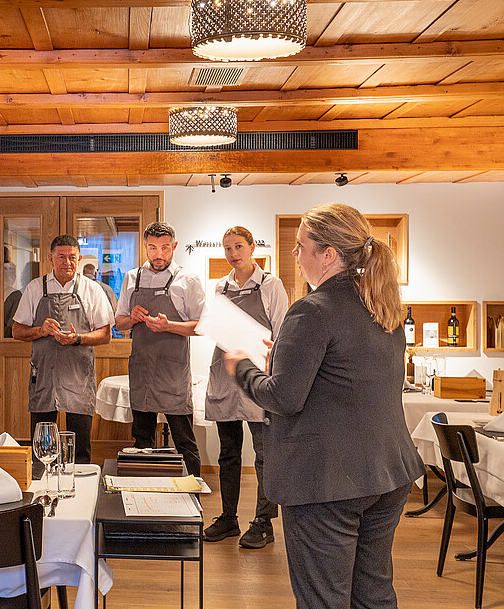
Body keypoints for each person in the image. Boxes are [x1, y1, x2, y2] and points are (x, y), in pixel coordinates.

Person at [224, 203, 424, 609]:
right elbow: (344, 380)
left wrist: (241, 367)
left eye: (300, 247)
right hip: (387, 473)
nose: (295, 256)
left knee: (324, 599)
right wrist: (281, 357)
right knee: (374, 594)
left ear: (328, 254)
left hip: (328, 481)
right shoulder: (382, 305)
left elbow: (283, 398)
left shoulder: (312, 310)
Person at [204, 226, 288, 549]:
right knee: (228, 452)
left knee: (264, 453)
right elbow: (217, 329)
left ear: (252, 247)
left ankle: (263, 522)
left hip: (258, 377)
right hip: (226, 374)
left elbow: (281, 333)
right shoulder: (220, 287)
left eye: (238, 246)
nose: (233, 253)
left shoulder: (271, 285)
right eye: (227, 248)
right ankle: (228, 517)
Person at [12, 235, 114, 464]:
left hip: (78, 377)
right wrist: (41, 330)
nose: (67, 262)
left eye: (72, 257)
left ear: (78, 259)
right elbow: (17, 331)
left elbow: (105, 334)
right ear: (50, 258)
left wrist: (78, 338)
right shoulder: (35, 288)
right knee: (42, 449)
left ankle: (79, 495)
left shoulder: (92, 290)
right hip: (44, 377)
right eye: (61, 257)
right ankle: (41, 494)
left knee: (79, 452)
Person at [115, 221, 205, 477]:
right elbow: (119, 322)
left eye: (165, 248)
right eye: (153, 248)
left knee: (185, 443)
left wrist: (169, 326)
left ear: (174, 246)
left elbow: (201, 326)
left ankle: (192, 505)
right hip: (142, 372)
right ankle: (143, 503)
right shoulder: (132, 278)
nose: (159, 254)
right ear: (145, 247)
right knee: (142, 442)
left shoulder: (187, 280)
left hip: (174, 374)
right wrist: (132, 318)